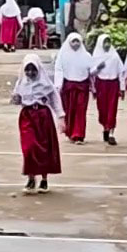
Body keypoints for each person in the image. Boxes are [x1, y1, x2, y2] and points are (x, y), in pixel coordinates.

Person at [10, 54, 64, 194]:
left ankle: (44, 179)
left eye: (33, 69)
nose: (30, 73)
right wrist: (15, 98)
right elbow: (17, 100)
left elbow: (55, 100)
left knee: (44, 149)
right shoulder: (21, 83)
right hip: (27, 116)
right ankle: (31, 177)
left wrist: (61, 117)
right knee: (29, 148)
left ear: (38, 69)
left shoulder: (46, 84)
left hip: (42, 116)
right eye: (27, 70)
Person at [54, 33, 94, 144]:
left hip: (82, 87)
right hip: (68, 87)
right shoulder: (63, 55)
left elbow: (91, 72)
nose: (76, 44)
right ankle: (70, 131)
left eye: (78, 41)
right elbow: (59, 70)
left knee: (80, 111)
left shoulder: (86, 56)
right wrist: (58, 85)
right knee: (69, 110)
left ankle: (79, 134)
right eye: (73, 41)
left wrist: (93, 87)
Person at [91, 34, 124, 146]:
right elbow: (91, 73)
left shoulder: (114, 56)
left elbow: (121, 72)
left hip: (113, 84)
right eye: (105, 42)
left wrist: (122, 88)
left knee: (112, 108)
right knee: (102, 109)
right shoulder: (96, 56)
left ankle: (111, 133)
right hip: (101, 84)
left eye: (109, 42)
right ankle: (105, 127)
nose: (107, 44)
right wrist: (98, 68)